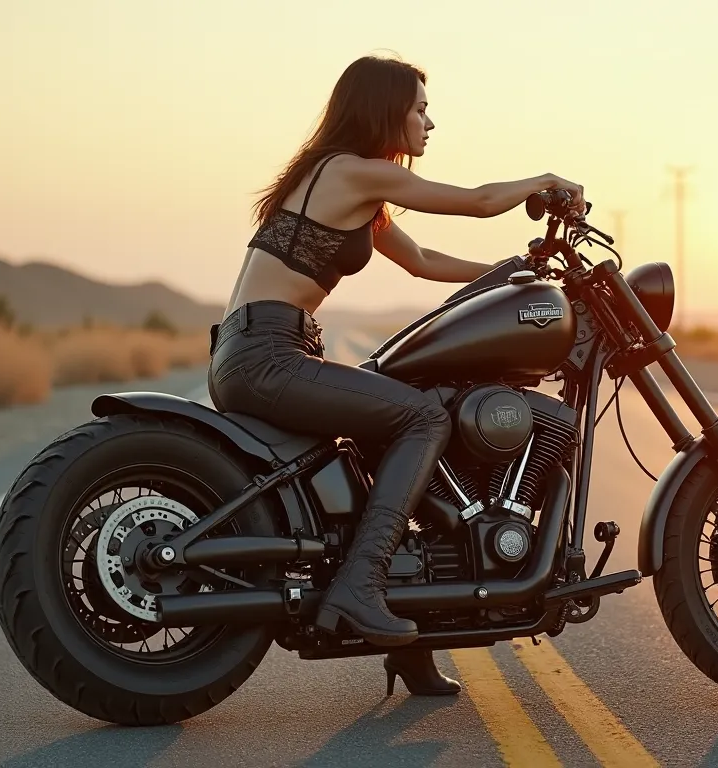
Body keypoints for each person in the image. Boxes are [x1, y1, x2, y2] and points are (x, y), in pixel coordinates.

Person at [207, 53, 585, 697]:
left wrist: (513, 273)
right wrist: (542, 182)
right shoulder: (355, 172)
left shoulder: (349, 183)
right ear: (386, 112)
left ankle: (416, 630)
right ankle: (359, 587)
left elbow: (421, 260)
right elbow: (476, 201)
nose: (429, 122)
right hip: (269, 354)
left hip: (259, 350)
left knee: (405, 429)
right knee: (425, 416)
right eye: (419, 109)